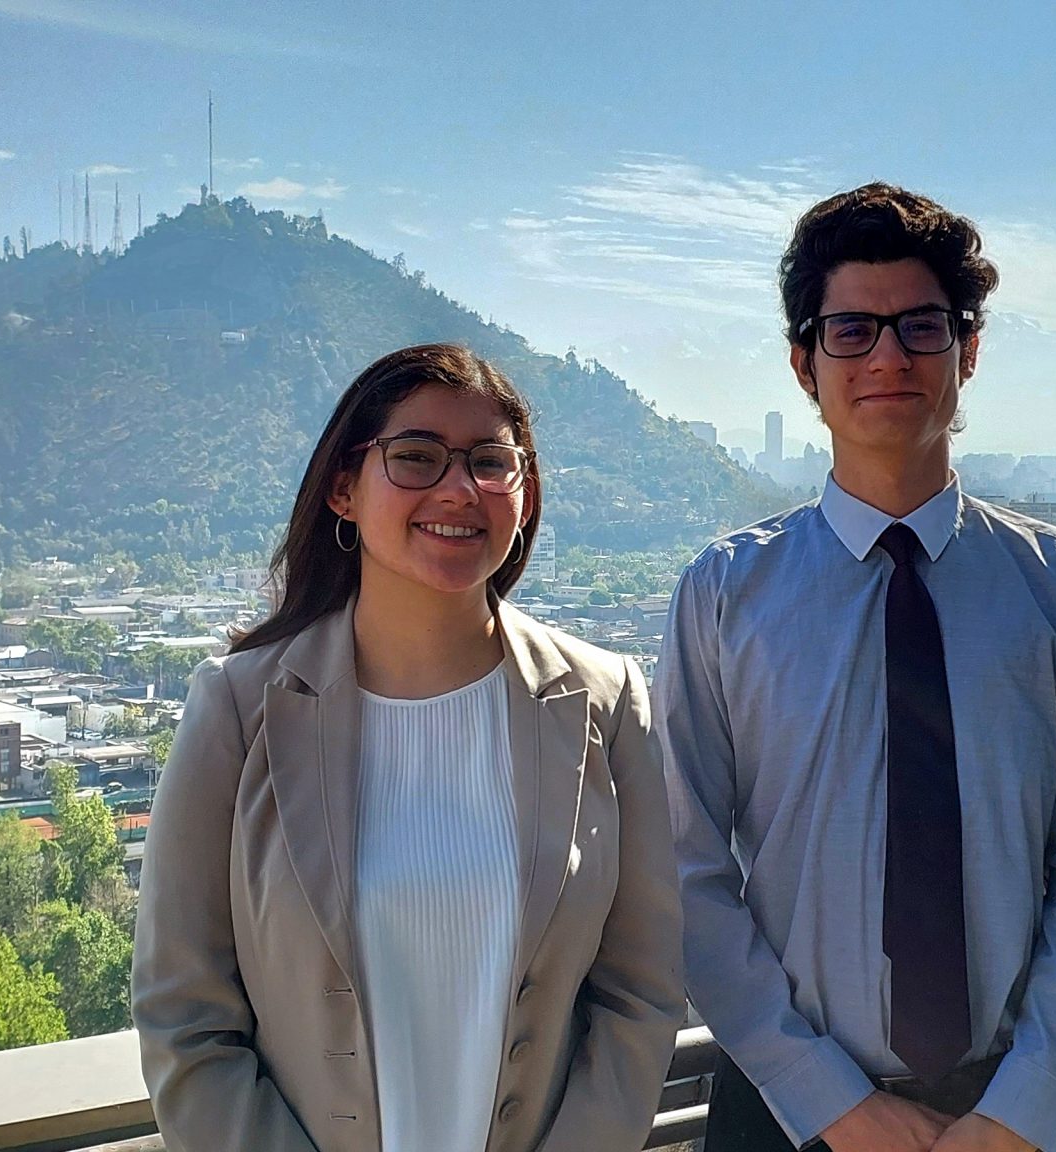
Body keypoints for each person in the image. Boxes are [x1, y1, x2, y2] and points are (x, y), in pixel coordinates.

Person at [659, 186, 1056, 1152]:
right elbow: (685, 870)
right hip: (785, 1115)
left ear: (967, 352)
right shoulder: (725, 594)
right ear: (805, 365)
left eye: (921, 327)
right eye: (851, 330)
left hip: (1016, 1112)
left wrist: (1028, 1102)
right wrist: (825, 1097)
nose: (888, 356)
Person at [134, 343, 683, 1152]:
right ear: (344, 490)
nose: (459, 489)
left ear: (524, 498)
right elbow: (186, 1019)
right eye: (417, 456)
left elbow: (638, 996)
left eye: (492, 463)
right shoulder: (238, 708)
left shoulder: (605, 701)